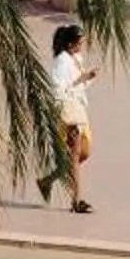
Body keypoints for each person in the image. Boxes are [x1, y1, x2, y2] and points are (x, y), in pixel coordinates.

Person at [37, 22, 97, 212]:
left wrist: (87, 78)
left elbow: (78, 85)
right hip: (69, 112)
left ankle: (47, 180)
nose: (82, 46)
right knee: (75, 155)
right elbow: (59, 90)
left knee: (83, 153)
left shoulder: (75, 58)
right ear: (71, 44)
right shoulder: (62, 61)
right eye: (80, 43)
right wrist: (81, 79)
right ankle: (76, 200)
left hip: (79, 110)